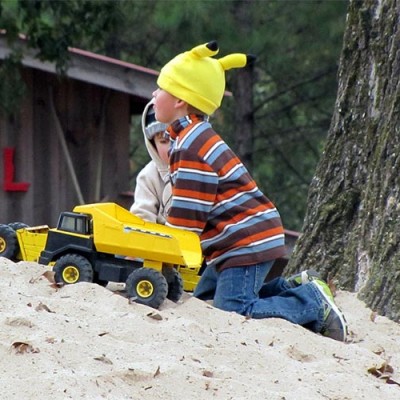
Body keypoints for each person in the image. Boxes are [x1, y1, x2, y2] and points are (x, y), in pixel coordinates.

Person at [151, 40, 348, 342]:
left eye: (160, 87)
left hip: (243, 242)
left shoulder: (190, 146)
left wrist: (164, 243)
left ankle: (313, 303)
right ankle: (293, 288)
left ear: (180, 99)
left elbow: (189, 215)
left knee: (232, 309)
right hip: (238, 240)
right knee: (205, 296)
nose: (154, 94)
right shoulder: (193, 136)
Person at [130, 100, 172, 224]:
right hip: (160, 241)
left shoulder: (203, 169)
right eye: (164, 141)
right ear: (153, 145)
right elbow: (141, 219)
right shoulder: (148, 177)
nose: (172, 147)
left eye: (178, 138)